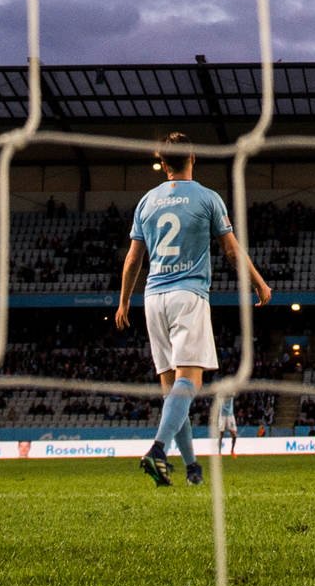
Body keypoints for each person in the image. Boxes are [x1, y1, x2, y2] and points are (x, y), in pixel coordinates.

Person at [115, 132, 272, 488]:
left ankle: (191, 468)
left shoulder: (147, 202)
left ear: (162, 163)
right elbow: (232, 252)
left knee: (173, 392)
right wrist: (259, 283)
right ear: (193, 158)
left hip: (153, 299)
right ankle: (158, 449)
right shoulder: (207, 198)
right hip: (188, 295)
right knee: (190, 382)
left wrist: (124, 300)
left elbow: (133, 258)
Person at [218, 393, 240, 460]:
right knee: (221, 434)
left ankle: (232, 451)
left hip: (230, 415)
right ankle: (219, 453)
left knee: (234, 435)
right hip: (222, 415)